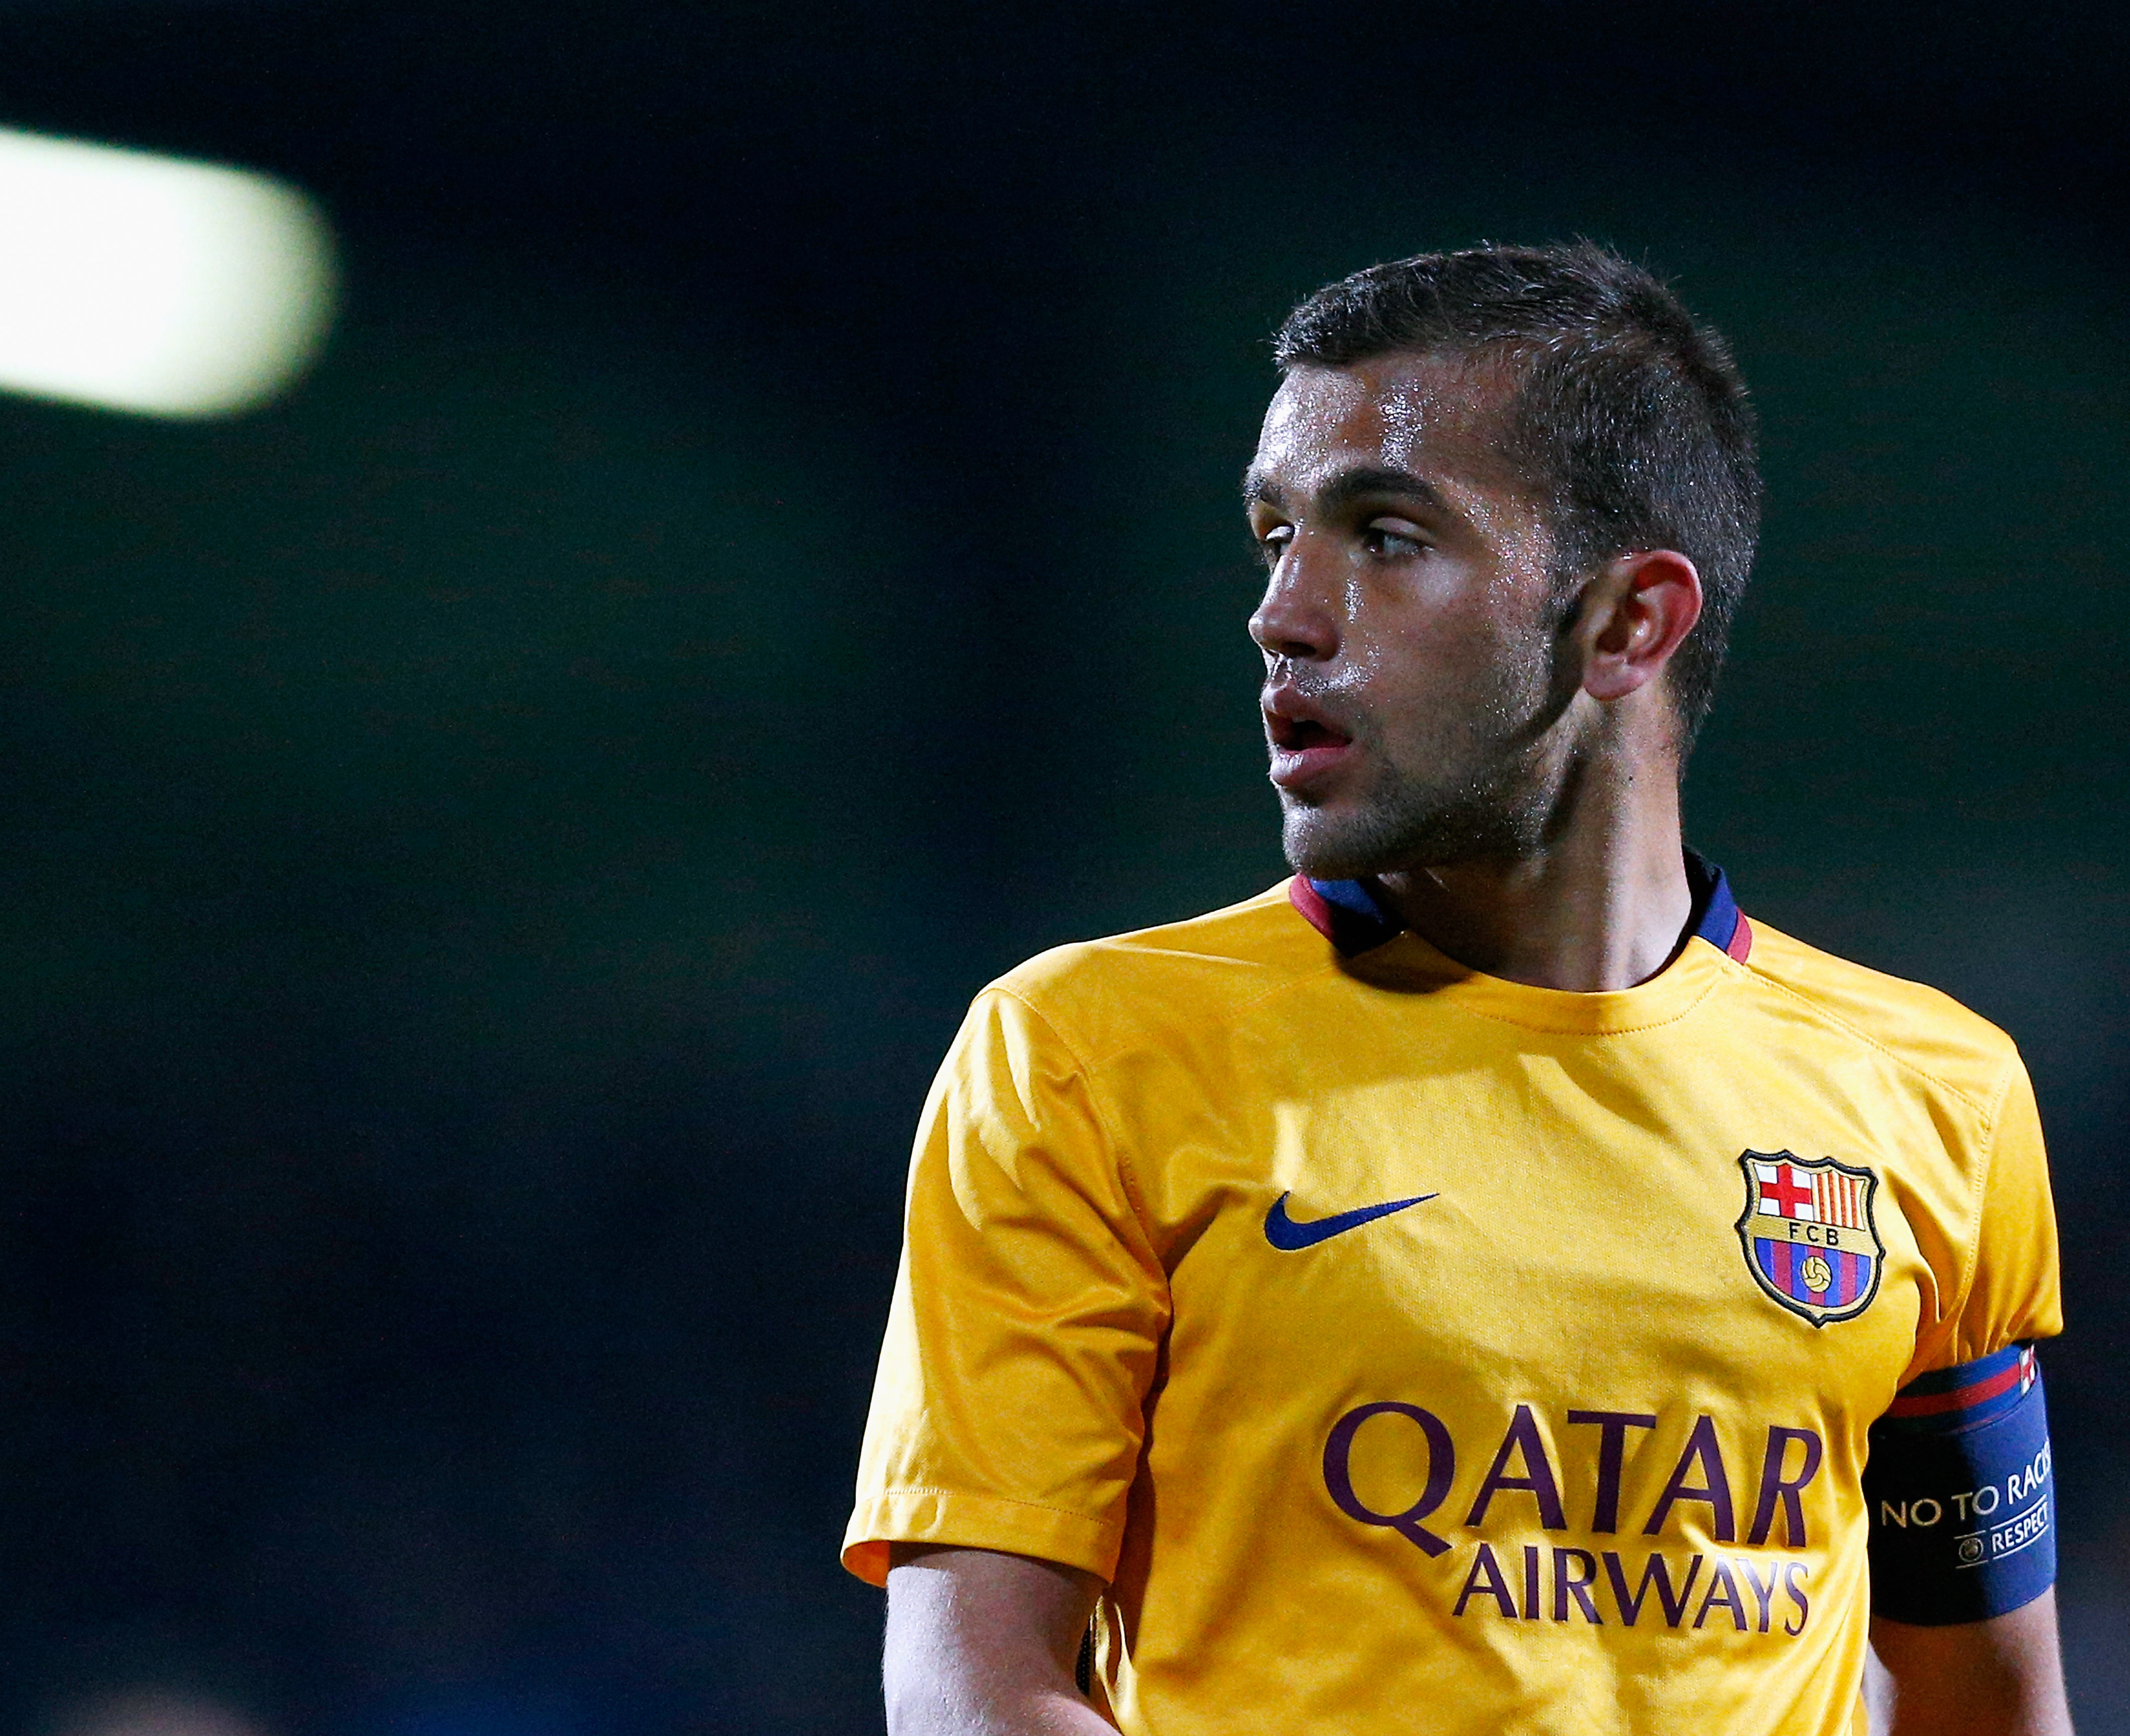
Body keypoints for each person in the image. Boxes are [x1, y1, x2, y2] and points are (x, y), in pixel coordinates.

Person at [842, 243, 2071, 1735]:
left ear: (1630, 622)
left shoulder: (1938, 1097)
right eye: (1274, 532)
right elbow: (973, 1694)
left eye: (1385, 534)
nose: (1283, 613)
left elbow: (1985, 1708)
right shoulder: (1086, 1054)